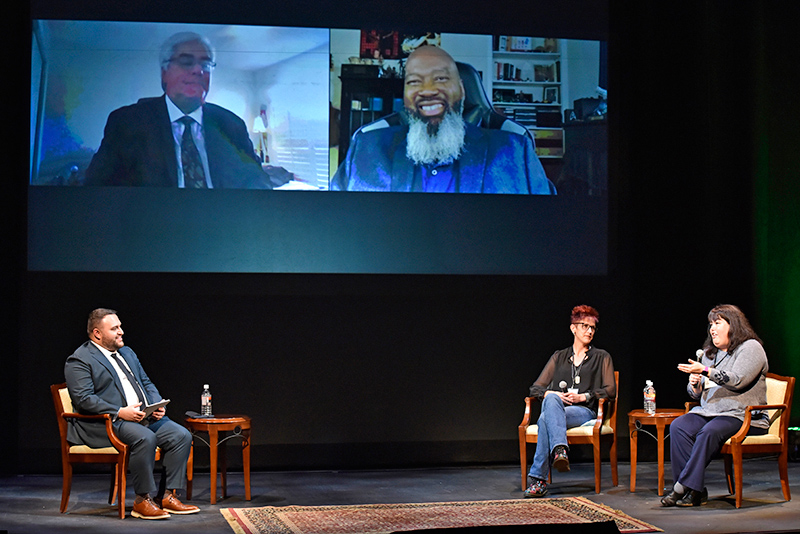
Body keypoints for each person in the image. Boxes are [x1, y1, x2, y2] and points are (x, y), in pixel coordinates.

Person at [332, 45, 554, 194]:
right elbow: (332, 223)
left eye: (440, 78)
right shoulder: (365, 149)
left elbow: (548, 226)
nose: (427, 91)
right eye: (414, 82)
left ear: (461, 91)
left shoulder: (515, 151)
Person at [85, 32, 292, 189]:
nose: (198, 70)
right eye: (186, 62)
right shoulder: (126, 122)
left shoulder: (232, 125)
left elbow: (257, 182)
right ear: (164, 73)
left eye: (206, 65)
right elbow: (97, 189)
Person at [64, 308, 199, 519]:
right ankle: (142, 500)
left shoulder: (127, 352)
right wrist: (119, 411)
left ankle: (166, 496)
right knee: (146, 438)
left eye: (120, 326)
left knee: (181, 435)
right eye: (115, 328)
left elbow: (145, 382)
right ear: (97, 333)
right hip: (108, 422)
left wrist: (155, 404)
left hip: (141, 417)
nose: (121, 332)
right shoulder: (80, 359)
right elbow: (84, 399)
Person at [661, 304, 769, 507]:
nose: (712, 328)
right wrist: (695, 384)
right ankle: (696, 491)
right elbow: (697, 394)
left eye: (718, 323)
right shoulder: (710, 353)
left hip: (742, 415)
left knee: (709, 431)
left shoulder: (751, 348)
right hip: (710, 411)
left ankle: (681, 487)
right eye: (711, 324)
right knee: (679, 426)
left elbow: (738, 380)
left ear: (733, 325)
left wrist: (705, 371)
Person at [523, 305, 616, 497]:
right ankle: (560, 450)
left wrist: (584, 396)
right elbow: (535, 388)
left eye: (593, 328)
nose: (590, 331)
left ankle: (538, 481)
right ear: (573, 328)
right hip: (559, 409)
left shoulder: (601, 357)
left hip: (584, 412)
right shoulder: (559, 356)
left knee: (543, 420)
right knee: (551, 400)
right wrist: (552, 394)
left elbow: (611, 390)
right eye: (585, 326)